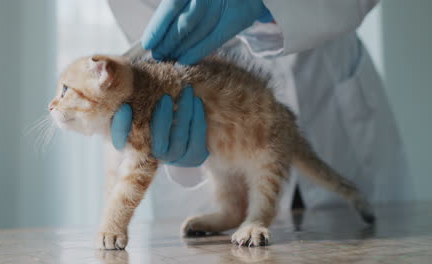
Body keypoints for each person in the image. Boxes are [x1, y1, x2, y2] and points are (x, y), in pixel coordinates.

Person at [107, 0, 411, 217]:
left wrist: (271, 4)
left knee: (357, 232)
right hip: (213, 153)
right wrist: (173, 137)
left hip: (333, 106)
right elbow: (149, 39)